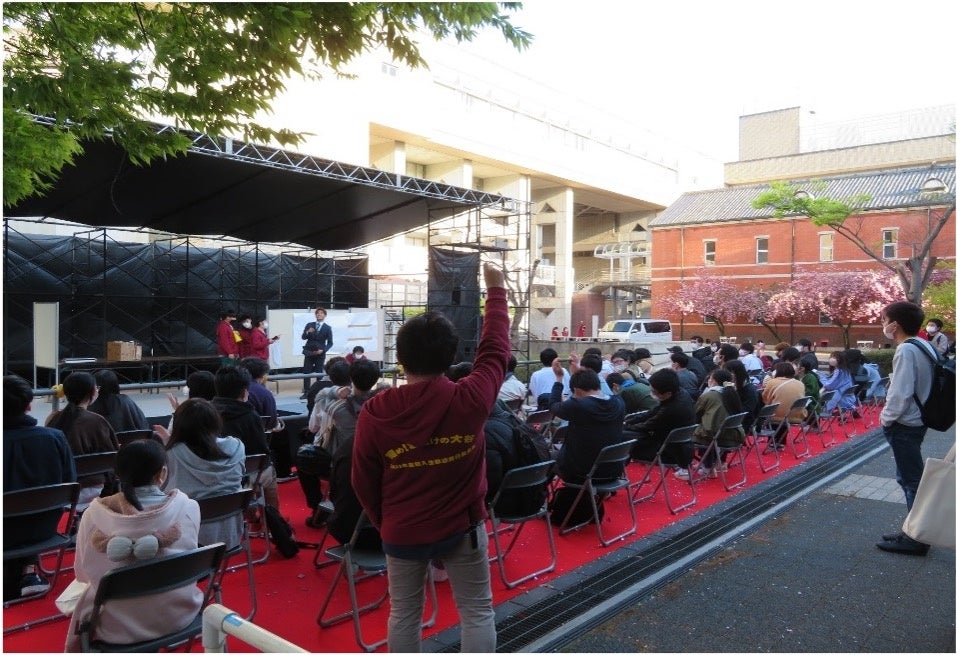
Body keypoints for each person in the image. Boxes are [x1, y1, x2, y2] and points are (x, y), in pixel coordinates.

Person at [352, 263, 507, 652]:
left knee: (404, 614)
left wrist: (386, 521)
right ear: (451, 356)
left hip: (402, 529)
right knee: (477, 611)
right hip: (463, 526)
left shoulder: (376, 412)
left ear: (400, 357)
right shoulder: (471, 400)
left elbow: (363, 480)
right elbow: (495, 350)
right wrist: (496, 291)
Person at [65, 439, 202, 651]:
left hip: (116, 628)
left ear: (118, 475)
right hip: (179, 614)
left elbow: (82, 574)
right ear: (162, 473)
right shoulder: (189, 508)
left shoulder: (94, 516)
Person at [3, 375, 77, 601]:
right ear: (29, 405)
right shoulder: (55, 438)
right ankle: (28, 570)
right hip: (45, 527)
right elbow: (70, 482)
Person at [876, 301, 938, 556]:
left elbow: (900, 392)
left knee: (911, 480)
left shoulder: (906, 350)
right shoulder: (923, 345)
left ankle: (917, 538)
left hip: (905, 423)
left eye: (884, 320)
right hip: (919, 419)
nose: (883, 325)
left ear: (895, 325)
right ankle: (912, 530)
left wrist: (886, 418)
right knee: (910, 478)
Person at [162, 398, 245, 549]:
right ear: (216, 421)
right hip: (231, 533)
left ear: (180, 426)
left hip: (187, 540)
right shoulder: (237, 447)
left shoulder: (171, 454)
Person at [210, 366, 279, 510]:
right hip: (243, 474)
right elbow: (261, 452)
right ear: (245, 392)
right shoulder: (250, 416)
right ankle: (273, 516)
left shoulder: (205, 412)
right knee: (269, 470)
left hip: (212, 474)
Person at [46, 371, 119, 503]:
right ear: (93, 392)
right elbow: (112, 460)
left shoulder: (52, 419)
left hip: (58, 490)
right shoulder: (97, 421)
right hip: (91, 490)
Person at [548, 366, 626, 485]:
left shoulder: (578, 405)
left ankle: (540, 494)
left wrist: (559, 379)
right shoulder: (619, 402)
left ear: (576, 390)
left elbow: (553, 406)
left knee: (545, 455)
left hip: (580, 473)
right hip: (614, 471)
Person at [677, 369, 745, 480]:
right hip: (733, 434)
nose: (708, 380)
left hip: (715, 435)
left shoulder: (709, 395)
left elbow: (695, 414)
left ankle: (698, 468)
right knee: (706, 429)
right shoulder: (732, 394)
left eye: (710, 378)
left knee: (688, 434)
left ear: (714, 381)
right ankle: (709, 465)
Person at [625, 369, 696, 472]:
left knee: (626, 439)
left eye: (654, 391)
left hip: (668, 451)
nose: (652, 393)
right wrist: (629, 421)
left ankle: (617, 472)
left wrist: (626, 425)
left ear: (668, 393)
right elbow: (653, 412)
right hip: (681, 447)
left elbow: (647, 425)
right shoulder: (681, 393)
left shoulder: (672, 409)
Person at [760, 362, 807, 446]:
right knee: (785, 408)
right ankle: (781, 440)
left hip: (777, 416)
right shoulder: (800, 384)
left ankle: (773, 440)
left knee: (773, 409)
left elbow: (765, 399)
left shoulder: (772, 382)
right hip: (797, 416)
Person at [88, 369, 150, 433]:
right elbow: (143, 427)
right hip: (128, 439)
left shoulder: (90, 405)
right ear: (115, 385)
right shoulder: (125, 401)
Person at [301, 307, 334, 397]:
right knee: (306, 372)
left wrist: (323, 350)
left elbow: (330, 343)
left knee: (319, 373)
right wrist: (307, 332)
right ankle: (306, 392)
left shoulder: (327, 328)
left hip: (320, 353)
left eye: (321, 313)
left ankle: (318, 391)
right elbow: (303, 337)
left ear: (325, 315)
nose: (319, 314)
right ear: (315, 315)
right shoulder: (310, 325)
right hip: (309, 352)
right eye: (317, 313)